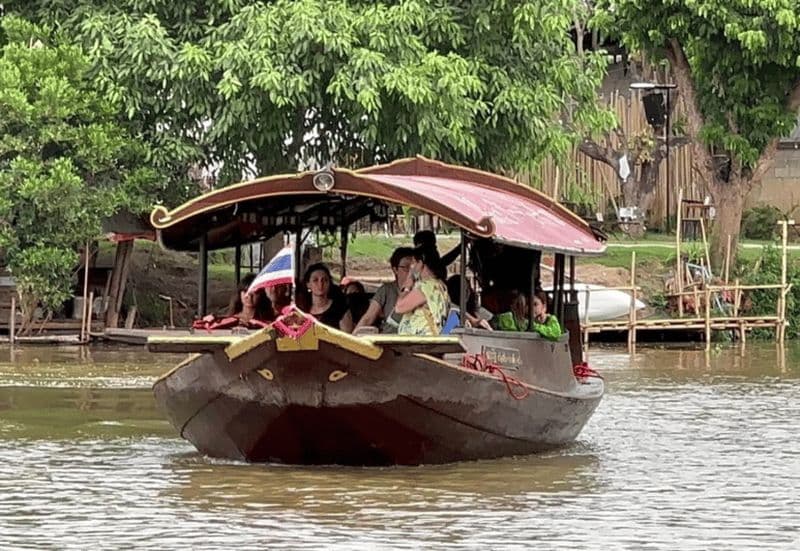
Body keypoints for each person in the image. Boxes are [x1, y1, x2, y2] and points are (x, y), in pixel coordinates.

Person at [354, 247, 414, 333]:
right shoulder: (386, 290)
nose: (410, 272)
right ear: (395, 269)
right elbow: (368, 318)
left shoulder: (421, 290)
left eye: (413, 268)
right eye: (406, 268)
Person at [395, 245, 449, 336]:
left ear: (420, 263)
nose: (411, 267)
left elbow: (399, 307)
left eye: (414, 263)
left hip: (421, 341)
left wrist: (407, 286)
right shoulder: (440, 285)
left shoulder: (425, 287)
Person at [298, 263, 353, 332]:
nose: (320, 284)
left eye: (325, 280)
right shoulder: (302, 311)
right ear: (308, 284)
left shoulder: (340, 308)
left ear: (329, 283)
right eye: (315, 280)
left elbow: (348, 337)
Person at [493, 290, 561, 340]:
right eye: (528, 305)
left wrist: (535, 326)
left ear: (544, 306)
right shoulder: (523, 320)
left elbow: (556, 333)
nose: (532, 308)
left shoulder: (550, 319)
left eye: (535, 304)